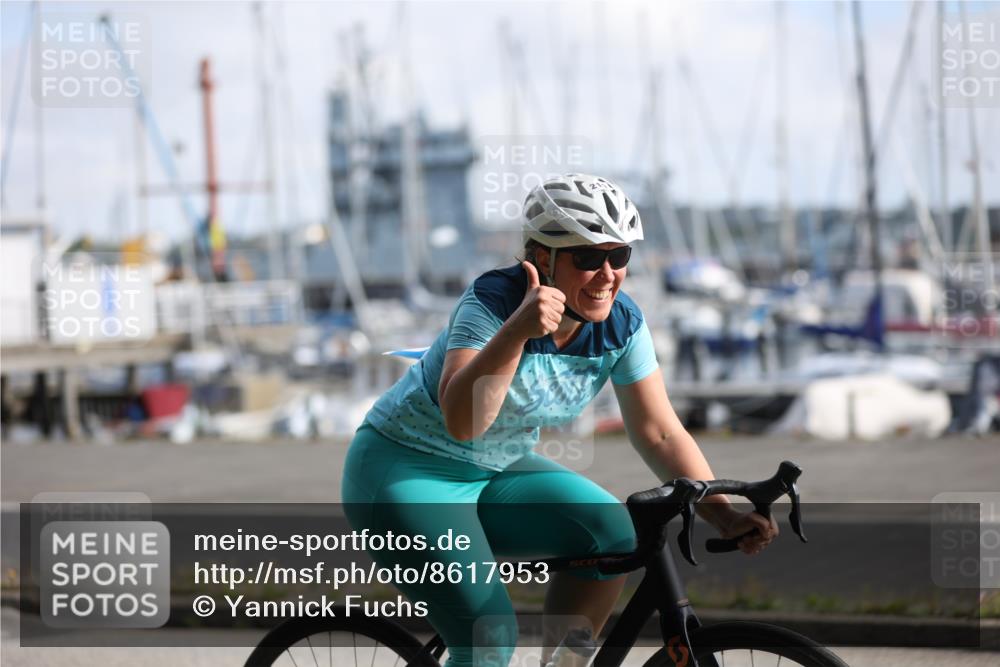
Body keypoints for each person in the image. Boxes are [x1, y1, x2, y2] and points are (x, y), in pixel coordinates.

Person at [341, 173, 778, 667]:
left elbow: (659, 432)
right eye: (588, 258)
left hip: (495, 469)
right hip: (406, 471)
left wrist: (721, 513)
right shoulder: (491, 304)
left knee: (615, 533)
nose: (607, 273)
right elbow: (463, 422)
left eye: (620, 256)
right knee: (489, 638)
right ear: (539, 257)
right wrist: (516, 334)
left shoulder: (622, 324)